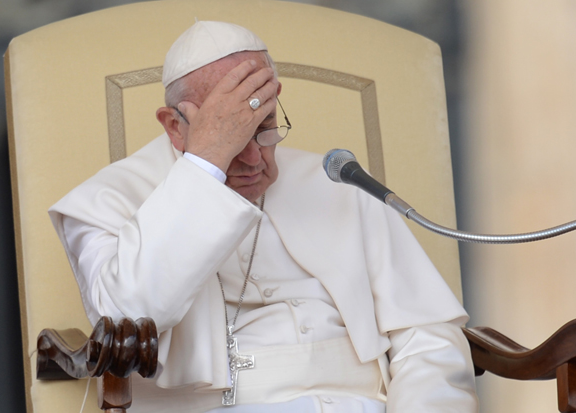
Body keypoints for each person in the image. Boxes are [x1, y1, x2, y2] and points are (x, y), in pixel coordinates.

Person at [49, 21, 478, 413]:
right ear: (174, 127)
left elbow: (427, 339)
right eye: (231, 133)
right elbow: (128, 315)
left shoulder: (339, 184)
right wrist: (206, 163)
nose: (254, 158)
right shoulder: (104, 200)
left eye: (264, 125)